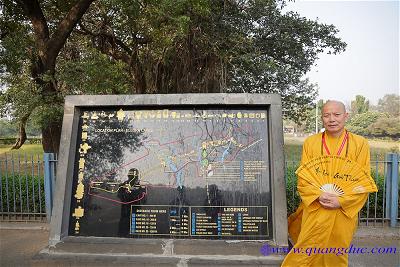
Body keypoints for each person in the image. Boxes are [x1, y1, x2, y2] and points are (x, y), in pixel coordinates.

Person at [282, 100, 376, 267]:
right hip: (316, 209)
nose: (331, 119)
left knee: (335, 256)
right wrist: (318, 195)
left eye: (336, 114)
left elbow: (362, 182)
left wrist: (341, 201)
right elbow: (304, 179)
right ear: (322, 118)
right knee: (306, 253)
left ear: (346, 116)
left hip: (342, 213)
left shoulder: (359, 143)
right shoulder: (311, 142)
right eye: (326, 115)